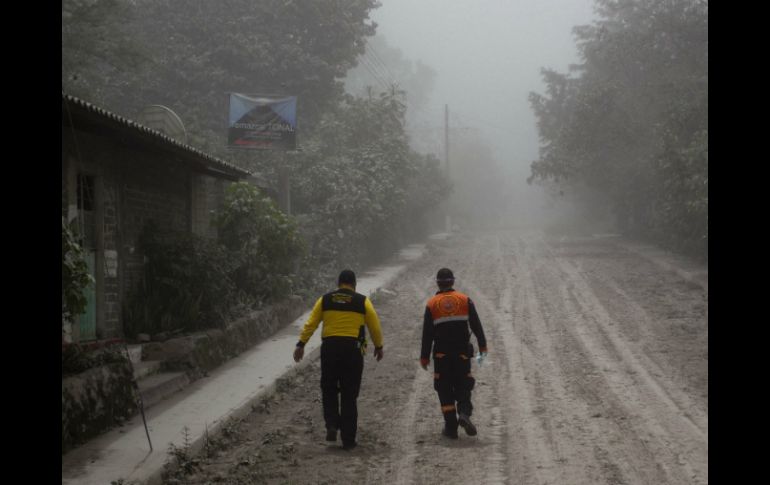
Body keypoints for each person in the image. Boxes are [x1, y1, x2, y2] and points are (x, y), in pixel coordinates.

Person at [293, 269, 384, 450]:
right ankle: (348, 439)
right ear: (354, 284)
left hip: (330, 348)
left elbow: (311, 323)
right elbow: (374, 324)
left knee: (329, 388)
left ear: (339, 283)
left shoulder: (325, 300)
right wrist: (379, 346)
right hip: (353, 350)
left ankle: (332, 425)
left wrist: (301, 344)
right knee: (350, 394)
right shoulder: (362, 301)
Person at [420, 268, 487, 439]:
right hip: (462, 354)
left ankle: (450, 428)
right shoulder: (465, 300)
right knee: (463, 384)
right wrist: (483, 346)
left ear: (438, 283)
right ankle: (464, 413)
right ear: (453, 282)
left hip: (441, 355)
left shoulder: (431, 304)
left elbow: (427, 333)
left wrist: (424, 356)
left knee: (444, 388)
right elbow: (476, 326)